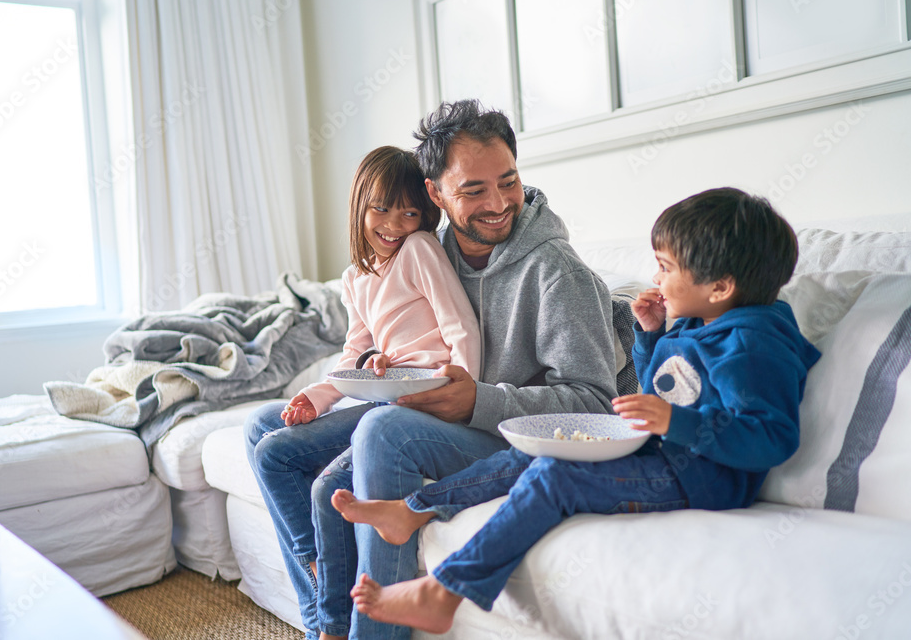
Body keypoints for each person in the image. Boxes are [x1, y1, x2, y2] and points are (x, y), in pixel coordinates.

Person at [336, 187, 822, 635]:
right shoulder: (703, 320)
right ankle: (413, 509)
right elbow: (670, 386)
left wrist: (676, 422)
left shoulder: (752, 345)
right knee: (540, 448)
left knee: (555, 477)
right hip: (662, 454)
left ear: (720, 286)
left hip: (702, 479)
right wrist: (651, 337)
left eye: (666, 267)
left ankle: (444, 593)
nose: (657, 278)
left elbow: (771, 437)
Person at [246, 99, 620, 640]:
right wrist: (371, 365)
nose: (498, 204)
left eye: (508, 182)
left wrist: (479, 400)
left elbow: (597, 405)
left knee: (382, 429)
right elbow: (394, 335)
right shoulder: (425, 248)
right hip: (433, 407)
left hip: (508, 435)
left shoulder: (557, 272)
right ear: (435, 194)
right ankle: (323, 625)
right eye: (473, 190)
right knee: (264, 426)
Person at [244, 145, 481, 640]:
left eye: (409, 212)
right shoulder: (355, 278)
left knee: (281, 459)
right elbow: (354, 353)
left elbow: (460, 326)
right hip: (384, 394)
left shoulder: (419, 250)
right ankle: (322, 595)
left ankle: (323, 606)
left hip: (425, 399)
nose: (394, 224)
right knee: (263, 427)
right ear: (359, 207)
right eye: (381, 209)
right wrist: (318, 396)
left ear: (424, 216)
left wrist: (464, 393)